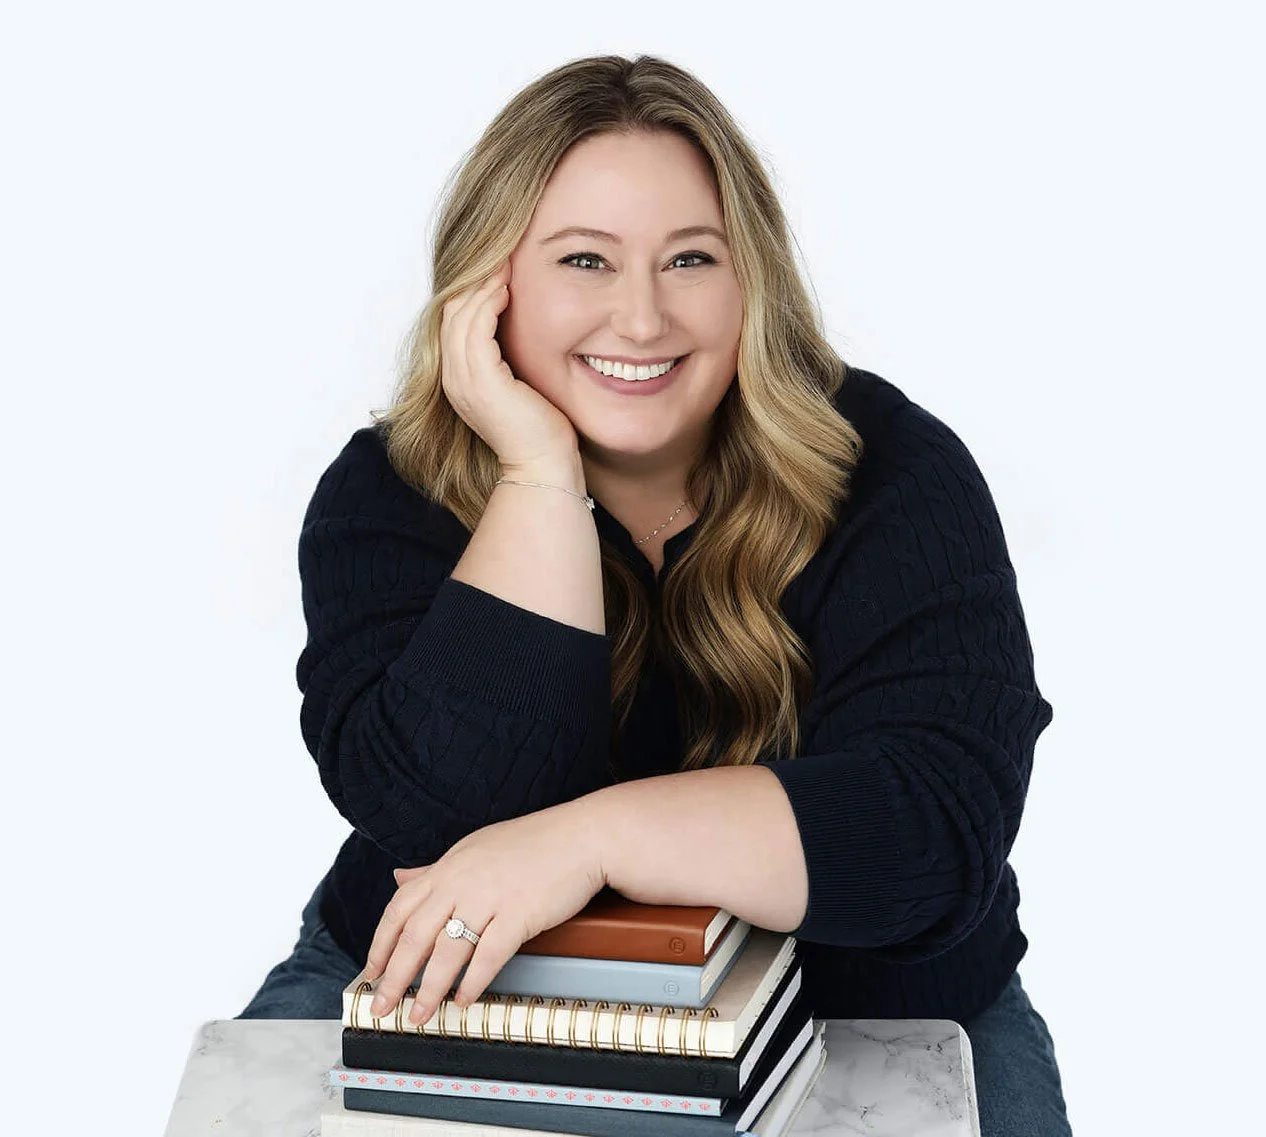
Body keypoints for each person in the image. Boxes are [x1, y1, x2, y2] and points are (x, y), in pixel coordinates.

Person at [238, 53, 1073, 1137]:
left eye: (689, 259)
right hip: (452, 1001)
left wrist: (590, 841)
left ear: (750, 281)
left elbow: (929, 836)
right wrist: (538, 480)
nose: (640, 320)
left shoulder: (897, 476)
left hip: (866, 1011)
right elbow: (437, 817)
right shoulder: (386, 493)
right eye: (585, 260)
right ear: (491, 284)